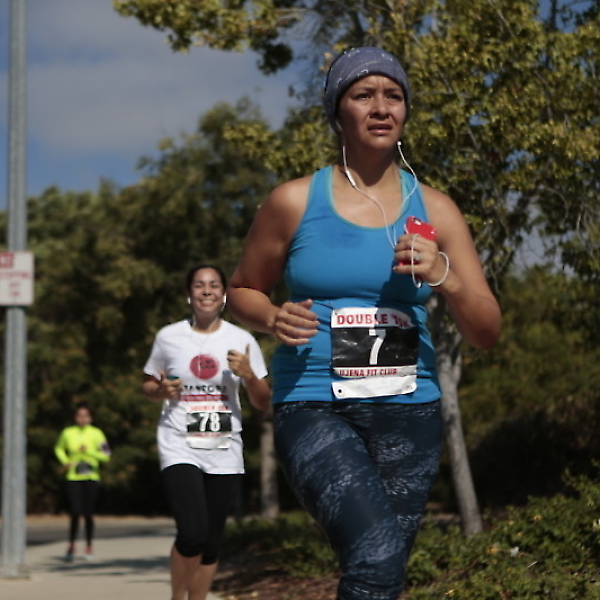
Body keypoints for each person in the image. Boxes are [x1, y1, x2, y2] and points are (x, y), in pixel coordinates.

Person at [226, 46, 502, 600]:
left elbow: (486, 332)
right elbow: (241, 291)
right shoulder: (293, 200)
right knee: (375, 558)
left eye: (393, 96)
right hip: (314, 401)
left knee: (383, 571)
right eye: (363, 95)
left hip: (410, 408)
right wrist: (273, 315)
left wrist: (445, 276)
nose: (381, 107)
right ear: (338, 111)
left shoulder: (437, 210)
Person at [142, 263, 270, 600]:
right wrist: (160, 391)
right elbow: (148, 385)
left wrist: (249, 375)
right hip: (179, 442)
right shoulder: (168, 337)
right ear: (189, 294)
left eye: (214, 285)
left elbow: (263, 401)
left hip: (223, 447)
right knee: (192, 534)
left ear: (224, 295)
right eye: (199, 285)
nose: (207, 291)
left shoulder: (242, 340)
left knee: (211, 542)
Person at [54, 401, 111, 562]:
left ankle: (89, 545)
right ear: (75, 417)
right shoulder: (68, 432)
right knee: (75, 511)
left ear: (90, 418)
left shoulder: (96, 433)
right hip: (74, 477)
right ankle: (71, 544)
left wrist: (90, 452)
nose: (82, 419)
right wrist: (65, 461)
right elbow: (58, 448)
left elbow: (106, 455)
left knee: (88, 513)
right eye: (80, 416)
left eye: (86, 416)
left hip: (91, 476)